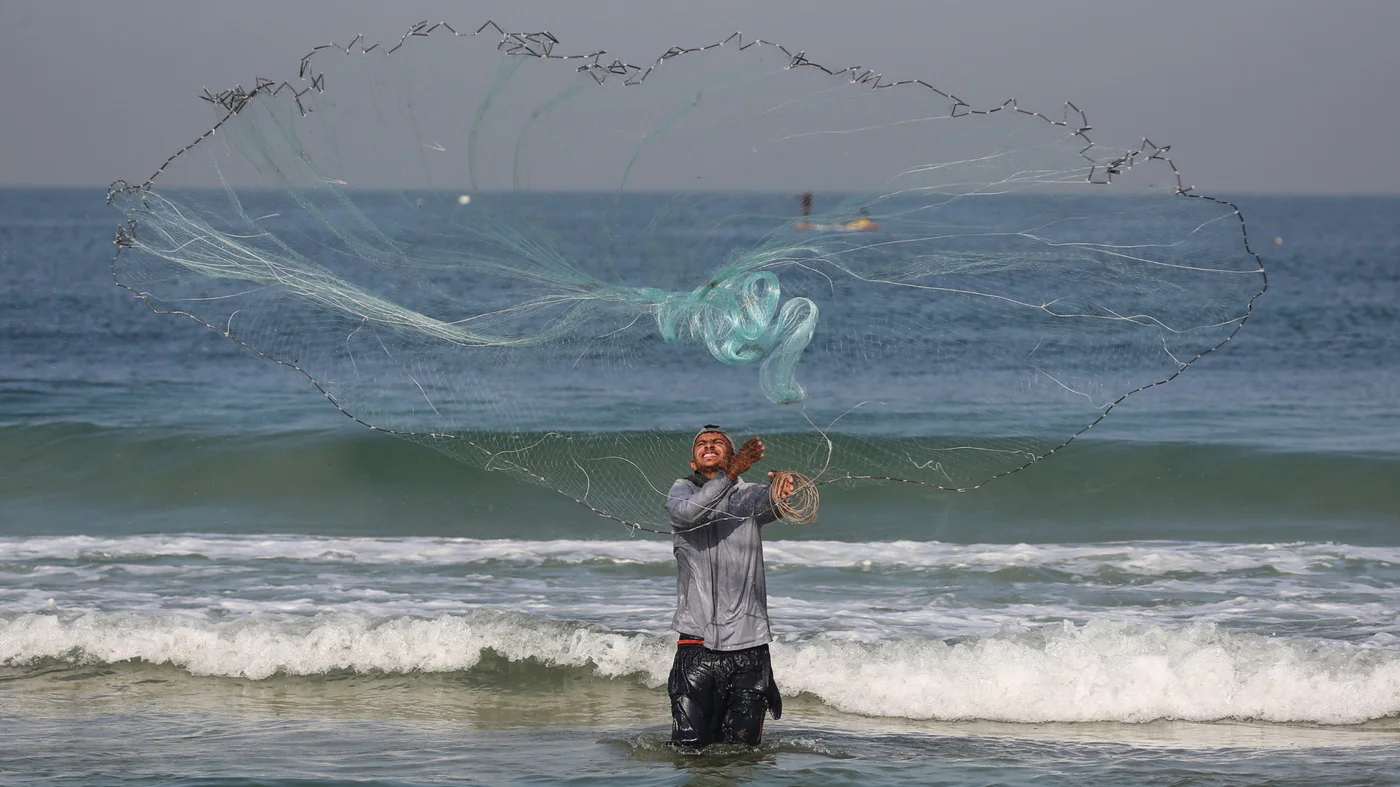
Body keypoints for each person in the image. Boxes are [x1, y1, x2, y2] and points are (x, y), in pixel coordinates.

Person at [664, 424, 796, 747]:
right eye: (702, 444)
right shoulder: (681, 492)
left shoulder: (747, 494)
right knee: (688, 752)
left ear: (733, 455)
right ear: (694, 463)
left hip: (750, 649)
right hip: (697, 646)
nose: (709, 445)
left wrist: (784, 489)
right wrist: (729, 475)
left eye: (718, 442)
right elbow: (688, 515)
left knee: (741, 756)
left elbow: (772, 505)